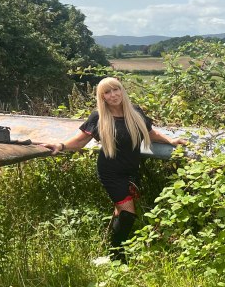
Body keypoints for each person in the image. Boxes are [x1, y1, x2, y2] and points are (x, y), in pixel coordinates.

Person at [43, 76, 186, 259]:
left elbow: (151, 133)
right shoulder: (99, 117)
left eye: (116, 89)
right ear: (102, 97)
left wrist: (171, 140)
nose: (113, 95)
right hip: (110, 172)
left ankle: (107, 244)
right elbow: (80, 141)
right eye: (107, 92)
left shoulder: (134, 112)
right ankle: (117, 257)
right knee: (127, 214)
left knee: (120, 211)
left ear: (122, 90)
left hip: (131, 171)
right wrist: (60, 146)